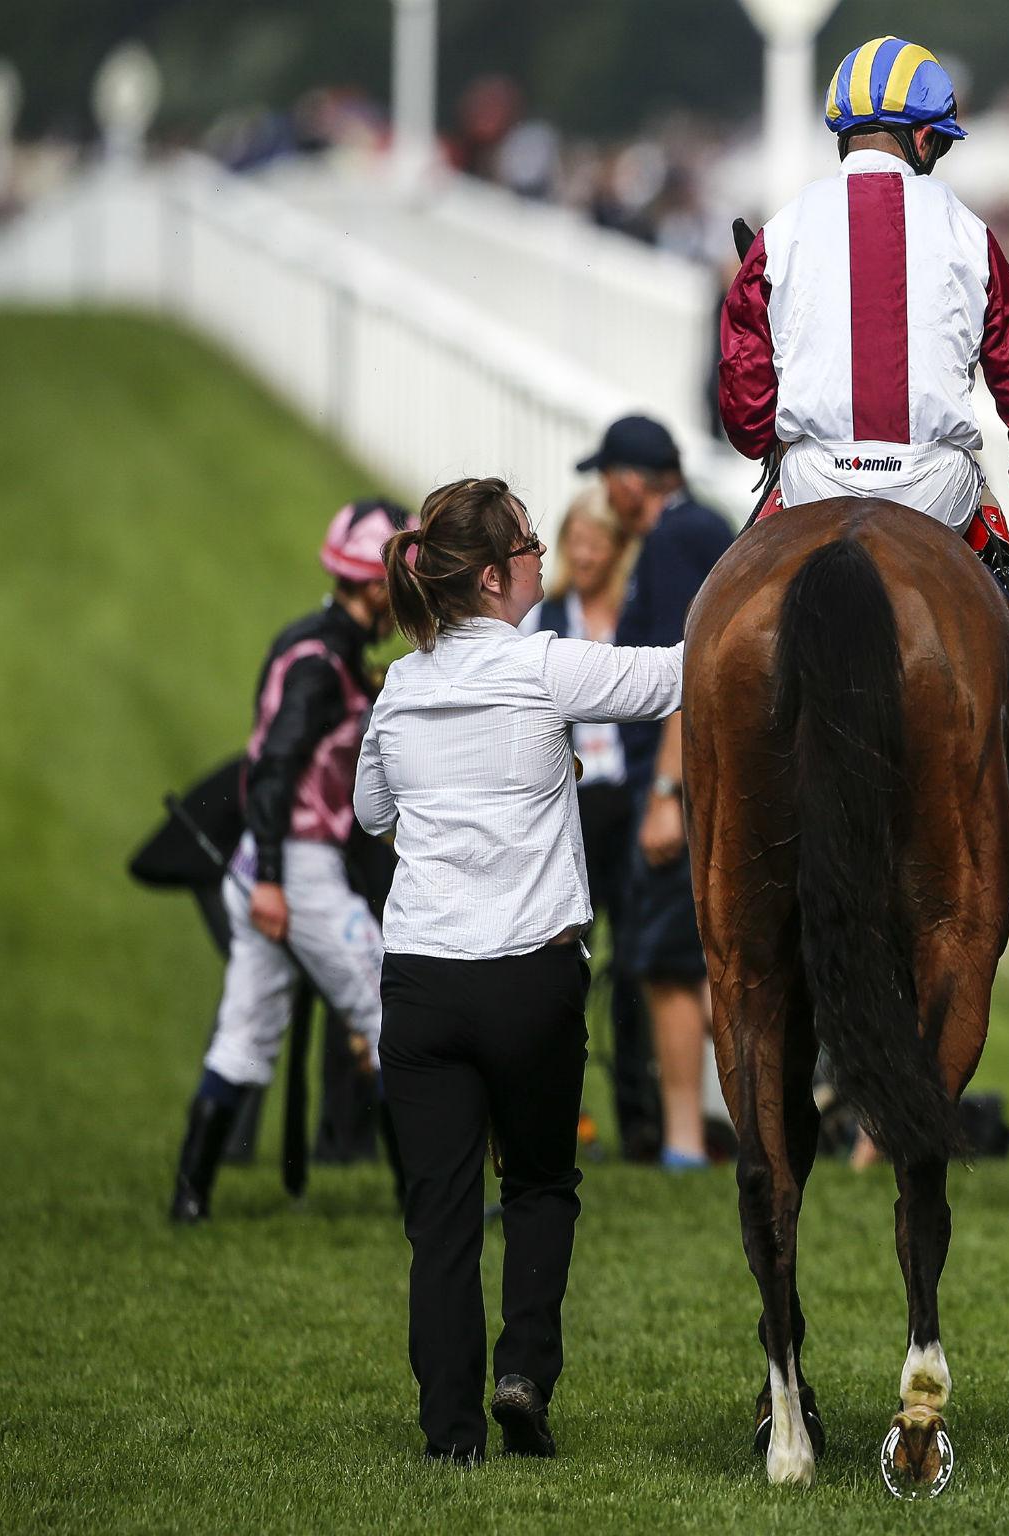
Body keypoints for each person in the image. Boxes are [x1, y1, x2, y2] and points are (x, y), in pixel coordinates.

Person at [356, 477, 685, 1464]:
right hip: (529, 978)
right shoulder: (544, 669)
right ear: (497, 577)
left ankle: (450, 1434)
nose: (545, 558)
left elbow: (374, 813)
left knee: (441, 1219)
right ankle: (523, 1371)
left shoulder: (399, 685)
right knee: (540, 1184)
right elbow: (676, 676)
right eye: (532, 547)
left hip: (420, 977)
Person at [717, 33, 1009, 807]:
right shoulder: (970, 233)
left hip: (811, 483)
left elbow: (746, 420)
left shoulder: (777, 234)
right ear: (922, 137)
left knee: (722, 615)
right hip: (939, 492)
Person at [169, 498, 408, 1225]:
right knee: (391, 1015)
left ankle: (190, 1198)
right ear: (373, 587)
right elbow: (272, 771)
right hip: (292, 870)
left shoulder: (316, 646)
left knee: (245, 1030)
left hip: (268, 866)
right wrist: (273, 876)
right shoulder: (322, 660)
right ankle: (427, 1200)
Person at [579, 414, 732, 1169]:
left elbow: (686, 668)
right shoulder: (696, 528)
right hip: (702, 773)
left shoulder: (674, 538)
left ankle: (682, 1140)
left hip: (683, 776)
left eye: (606, 476)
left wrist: (668, 790)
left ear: (632, 480)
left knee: (673, 965)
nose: (603, 493)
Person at [521, 485, 657, 1160]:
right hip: (569, 801)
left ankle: (639, 1116)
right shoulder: (548, 615)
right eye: (574, 540)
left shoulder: (636, 611)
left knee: (633, 961)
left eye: (595, 541)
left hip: (626, 800)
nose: (584, 552)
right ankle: (565, 1118)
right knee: (565, 957)